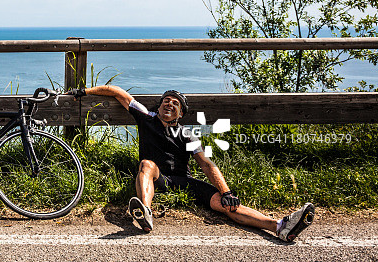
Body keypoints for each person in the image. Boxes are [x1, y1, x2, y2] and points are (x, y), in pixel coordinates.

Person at [68, 85, 315, 242]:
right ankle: (145, 212)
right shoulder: (146, 117)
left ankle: (281, 227)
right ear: (160, 104)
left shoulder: (188, 134)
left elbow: (206, 164)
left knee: (225, 206)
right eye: (167, 100)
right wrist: (84, 92)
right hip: (158, 178)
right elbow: (117, 92)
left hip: (184, 182)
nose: (170, 103)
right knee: (146, 164)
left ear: (181, 114)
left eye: (175, 103)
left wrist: (226, 191)